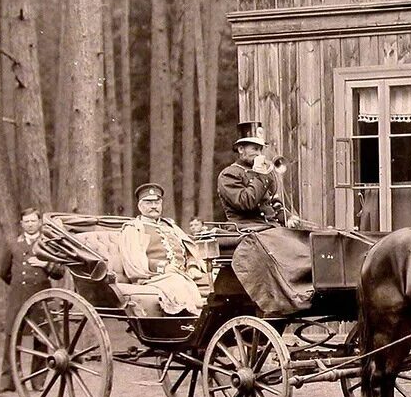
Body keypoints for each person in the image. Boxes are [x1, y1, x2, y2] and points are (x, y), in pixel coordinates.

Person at [0, 208, 64, 393]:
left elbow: (60, 272)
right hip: (18, 296)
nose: (30, 224)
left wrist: (45, 264)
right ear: (21, 224)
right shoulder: (13, 244)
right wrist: (19, 285)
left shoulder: (47, 244)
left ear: (40, 222)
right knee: (12, 336)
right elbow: (4, 272)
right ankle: (8, 381)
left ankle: (38, 381)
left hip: (40, 296)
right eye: (26, 221)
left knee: (41, 337)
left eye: (33, 221)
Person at [118, 184, 213, 316]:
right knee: (178, 283)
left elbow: (190, 250)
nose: (153, 206)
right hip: (154, 277)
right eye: (148, 202)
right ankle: (193, 322)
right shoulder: (133, 228)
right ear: (139, 206)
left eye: (157, 202)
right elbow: (135, 260)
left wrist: (192, 267)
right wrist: (164, 268)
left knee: (216, 280)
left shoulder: (170, 226)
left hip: (184, 274)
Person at [218, 121, 298, 227]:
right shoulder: (228, 174)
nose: (259, 154)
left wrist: (288, 218)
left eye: (260, 149)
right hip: (246, 228)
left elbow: (274, 203)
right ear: (241, 149)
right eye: (255, 149)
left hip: (270, 226)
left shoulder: (265, 174)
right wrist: (260, 175)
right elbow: (245, 203)